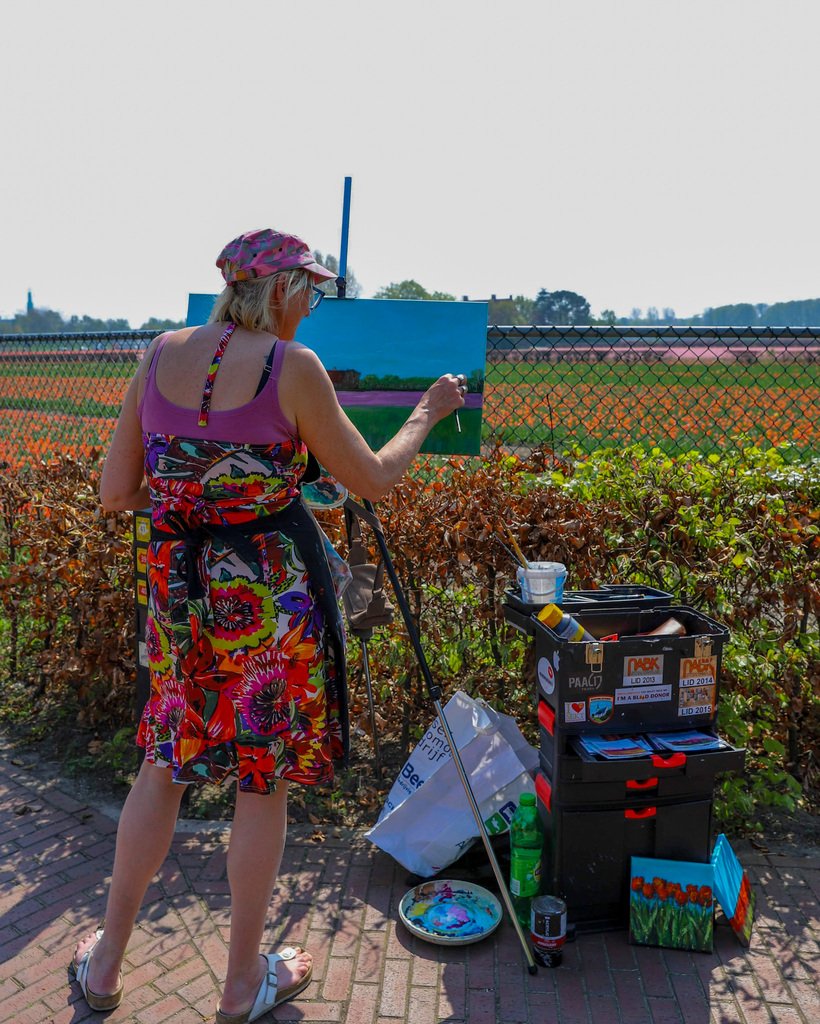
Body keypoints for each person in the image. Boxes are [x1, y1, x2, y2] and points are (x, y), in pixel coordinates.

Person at [70, 228, 467, 1023]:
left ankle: (105, 969)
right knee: (262, 778)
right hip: (271, 609)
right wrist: (428, 411)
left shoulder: (157, 355)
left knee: (166, 762)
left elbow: (118, 492)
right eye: (310, 293)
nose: (312, 309)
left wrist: (202, 501)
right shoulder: (294, 369)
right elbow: (375, 480)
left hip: (178, 597)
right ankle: (240, 984)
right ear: (281, 290)